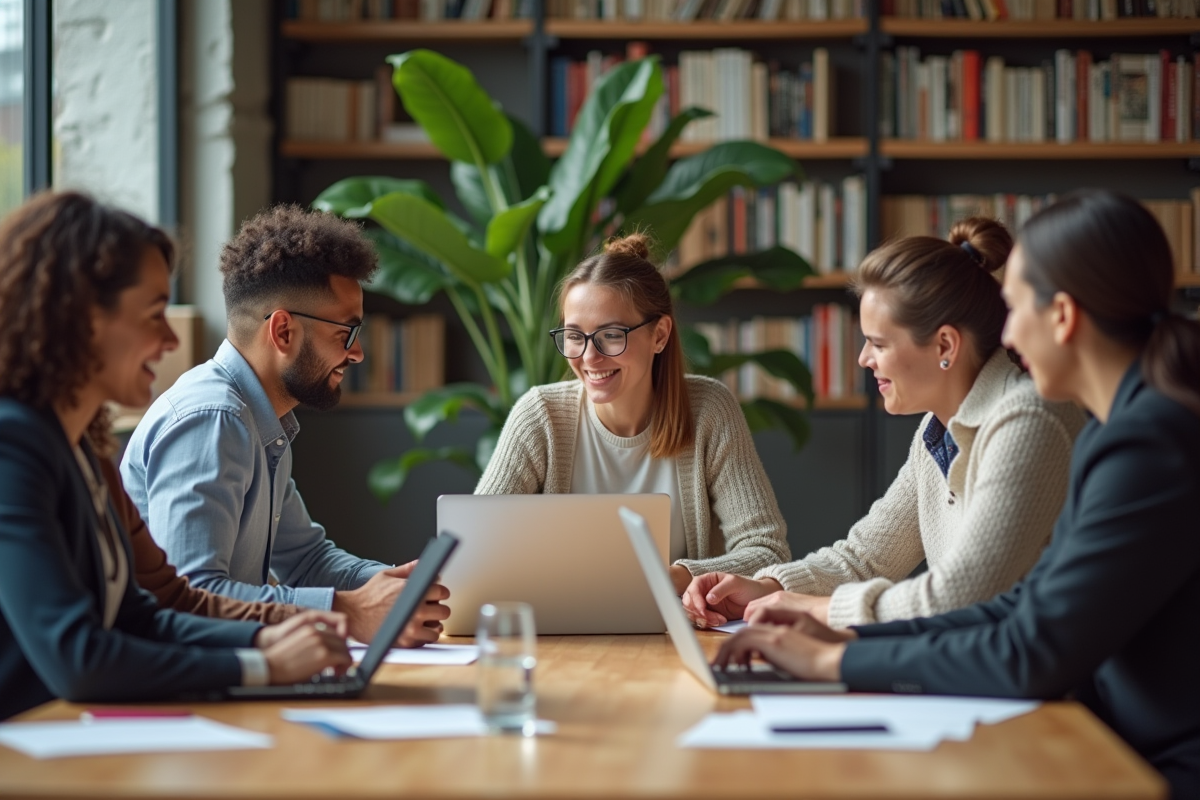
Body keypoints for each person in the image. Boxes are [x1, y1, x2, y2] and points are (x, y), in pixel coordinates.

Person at [715, 190, 1200, 799]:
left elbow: (1030, 646)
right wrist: (843, 638)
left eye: (1016, 307)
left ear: (1064, 317)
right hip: (1114, 739)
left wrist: (833, 658)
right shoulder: (1121, 429)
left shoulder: (1145, 443)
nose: (1008, 332)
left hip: (1154, 764)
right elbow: (1023, 606)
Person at [0, 191, 352, 720]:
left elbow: (147, 613)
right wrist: (260, 667)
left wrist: (267, 640)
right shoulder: (13, 448)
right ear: (84, 319)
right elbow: (78, 656)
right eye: (154, 314)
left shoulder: (83, 450)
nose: (170, 339)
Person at [682, 219, 1084, 629]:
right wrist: (767, 588)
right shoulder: (938, 431)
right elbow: (864, 559)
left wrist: (811, 608)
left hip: (1043, 689)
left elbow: (959, 594)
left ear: (945, 344)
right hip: (971, 673)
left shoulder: (1028, 420)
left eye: (878, 343)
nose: (863, 359)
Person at [120, 205, 448, 647]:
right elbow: (192, 597)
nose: (358, 354)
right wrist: (347, 612)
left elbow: (307, 560)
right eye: (346, 334)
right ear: (283, 332)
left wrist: (395, 587)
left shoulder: (263, 422)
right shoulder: (212, 420)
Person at [476, 234, 791, 594]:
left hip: (674, 634)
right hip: (559, 636)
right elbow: (475, 551)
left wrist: (677, 577)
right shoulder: (541, 417)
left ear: (659, 335)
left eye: (611, 335)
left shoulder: (708, 410)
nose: (589, 358)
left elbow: (768, 553)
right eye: (574, 336)